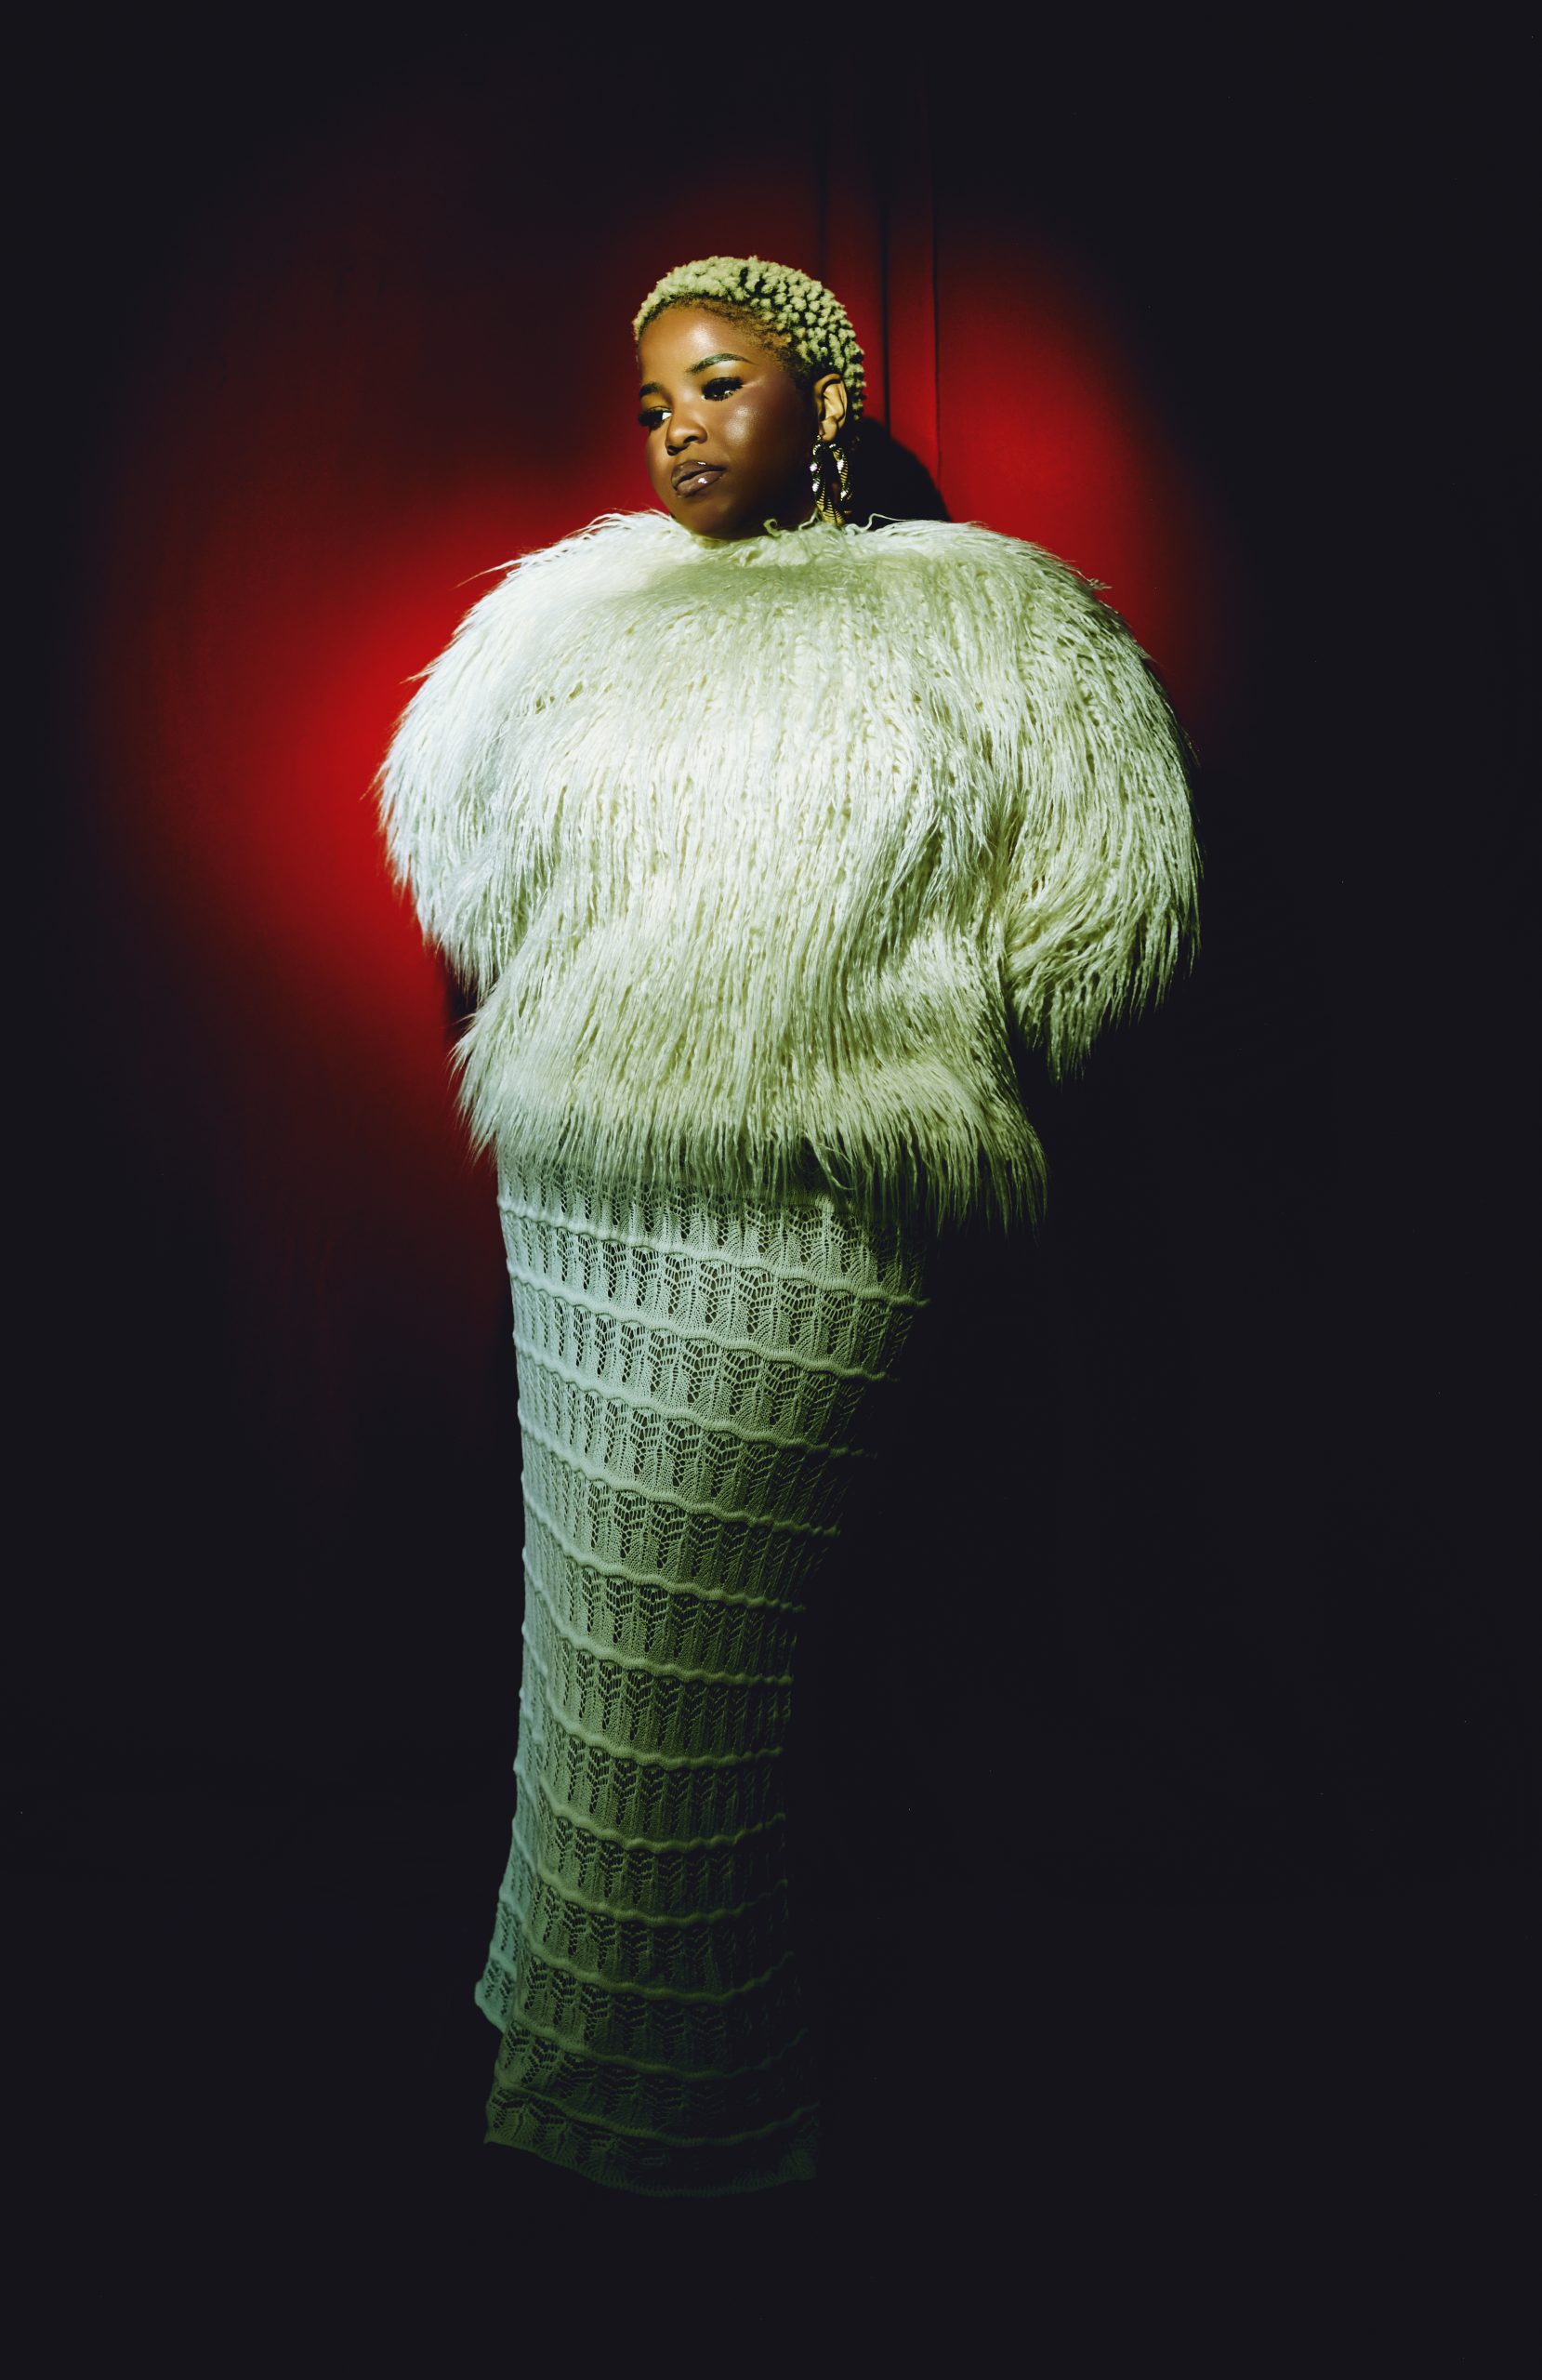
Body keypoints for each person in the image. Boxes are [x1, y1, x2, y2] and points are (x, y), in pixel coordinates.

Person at [379, 253, 1201, 2195]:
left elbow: (1099, 919)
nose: (677, 426)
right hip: (585, 1203)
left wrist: (890, 1052)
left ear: (822, 399)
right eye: (653, 400)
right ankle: (571, 2035)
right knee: (585, 1642)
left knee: (698, 1657)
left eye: (719, 384)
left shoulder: (988, 625)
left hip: (825, 1205)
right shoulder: (557, 618)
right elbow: (463, 869)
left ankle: (686, 2098)